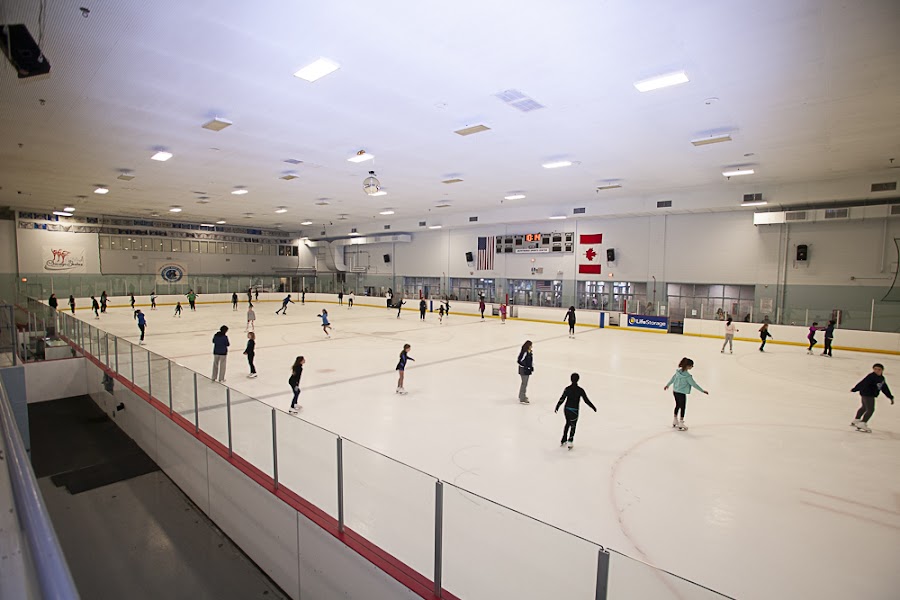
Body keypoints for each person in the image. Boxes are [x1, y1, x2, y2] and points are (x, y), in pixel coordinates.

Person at [664, 357, 708, 431]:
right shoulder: (687, 376)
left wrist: (667, 385)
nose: (692, 367)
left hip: (675, 391)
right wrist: (702, 390)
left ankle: (675, 419)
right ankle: (681, 422)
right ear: (688, 366)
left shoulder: (678, 372)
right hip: (681, 393)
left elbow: (673, 379)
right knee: (683, 407)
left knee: (677, 405)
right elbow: (694, 384)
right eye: (691, 365)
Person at [555, 373, 597, 450]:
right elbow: (586, 400)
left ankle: (563, 439)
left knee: (567, 423)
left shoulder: (567, 388)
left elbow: (562, 398)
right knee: (573, 425)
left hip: (567, 409)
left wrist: (557, 406)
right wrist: (593, 407)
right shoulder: (580, 390)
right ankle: (570, 441)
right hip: (574, 410)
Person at [850, 363, 894, 433]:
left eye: (879, 369)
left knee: (864, 407)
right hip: (867, 394)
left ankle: (856, 420)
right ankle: (862, 423)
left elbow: (884, 388)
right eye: (875, 369)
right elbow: (863, 383)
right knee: (870, 409)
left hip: (867, 394)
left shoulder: (881, 378)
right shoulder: (871, 376)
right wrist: (855, 389)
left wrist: (890, 397)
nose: (877, 371)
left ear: (882, 370)